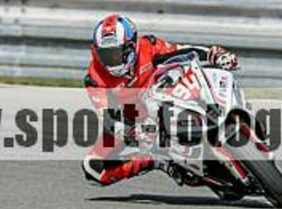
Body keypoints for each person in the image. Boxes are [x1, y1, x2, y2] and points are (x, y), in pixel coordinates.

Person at [82, 14, 240, 186]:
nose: (113, 61)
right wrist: (130, 131)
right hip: (134, 121)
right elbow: (107, 117)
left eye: (117, 54)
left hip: (165, 94)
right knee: (92, 168)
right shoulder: (94, 77)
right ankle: (157, 162)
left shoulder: (147, 46)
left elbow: (182, 51)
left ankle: (222, 107)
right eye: (106, 55)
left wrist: (212, 54)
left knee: (193, 72)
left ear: (131, 46)